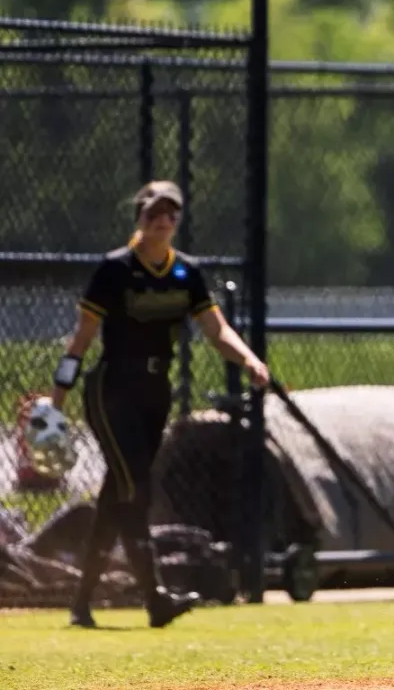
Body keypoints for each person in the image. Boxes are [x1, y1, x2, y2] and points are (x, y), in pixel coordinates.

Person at [49, 180, 271, 629]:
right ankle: (155, 598)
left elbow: (215, 328)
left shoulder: (185, 272)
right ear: (141, 219)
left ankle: (81, 603)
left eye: (171, 213)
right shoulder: (115, 269)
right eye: (154, 212)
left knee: (117, 494)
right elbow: (83, 338)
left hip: (154, 391)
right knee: (135, 487)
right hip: (112, 389)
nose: (163, 220)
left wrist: (248, 359)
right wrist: (57, 399)